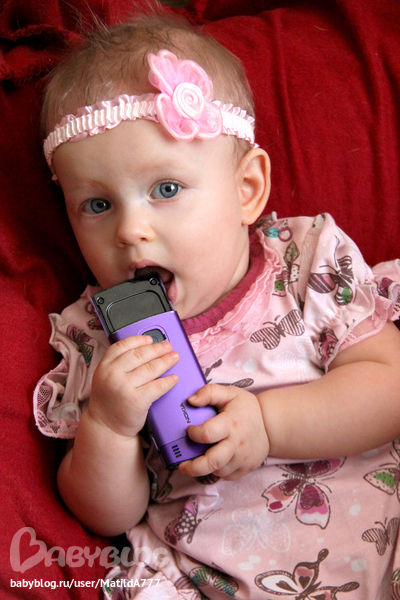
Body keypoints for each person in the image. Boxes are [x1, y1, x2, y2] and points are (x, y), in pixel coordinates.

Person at [34, 10, 400, 600]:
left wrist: (270, 425)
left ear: (246, 190)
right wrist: (108, 426)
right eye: (97, 205)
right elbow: (107, 516)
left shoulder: (302, 265)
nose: (130, 230)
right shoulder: (95, 338)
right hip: (218, 579)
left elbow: (391, 385)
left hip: (380, 542)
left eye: (166, 189)